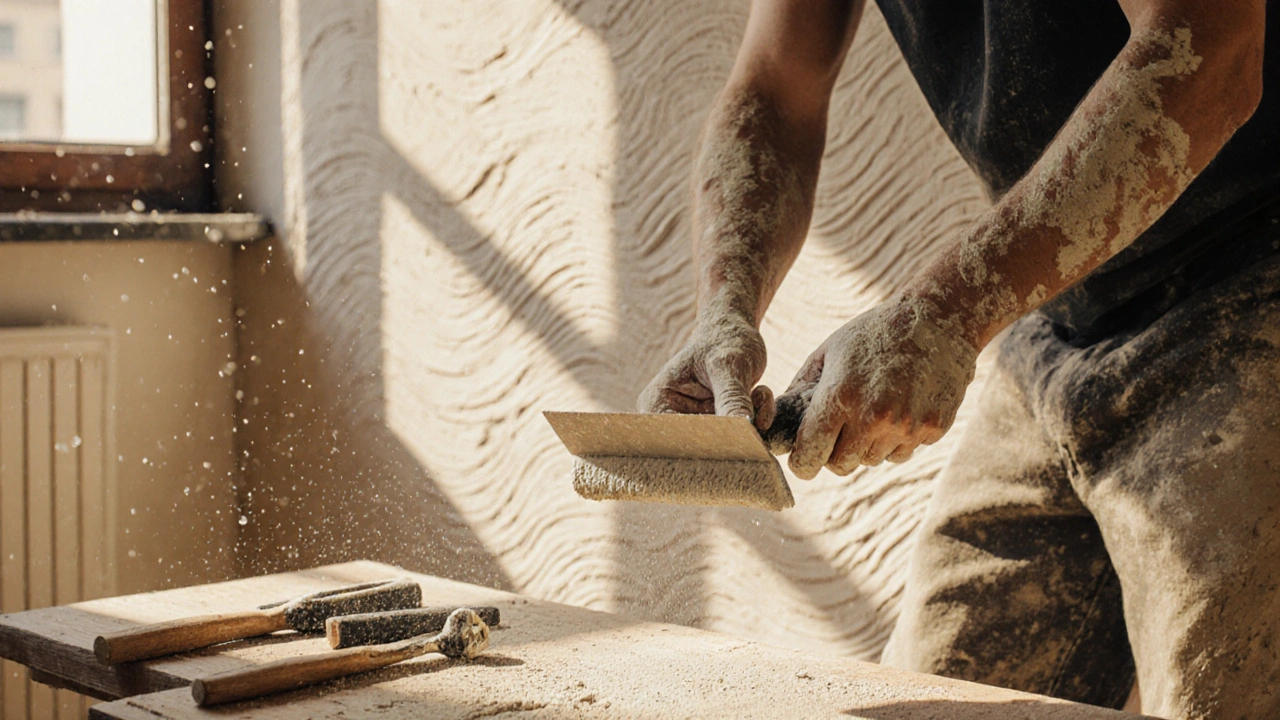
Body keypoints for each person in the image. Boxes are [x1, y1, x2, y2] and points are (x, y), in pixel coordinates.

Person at [637, 0, 1278, 716]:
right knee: (934, 697)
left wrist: (945, 312)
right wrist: (724, 306)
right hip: (1060, 320)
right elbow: (775, 94)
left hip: (1255, 278)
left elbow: (1207, 52)